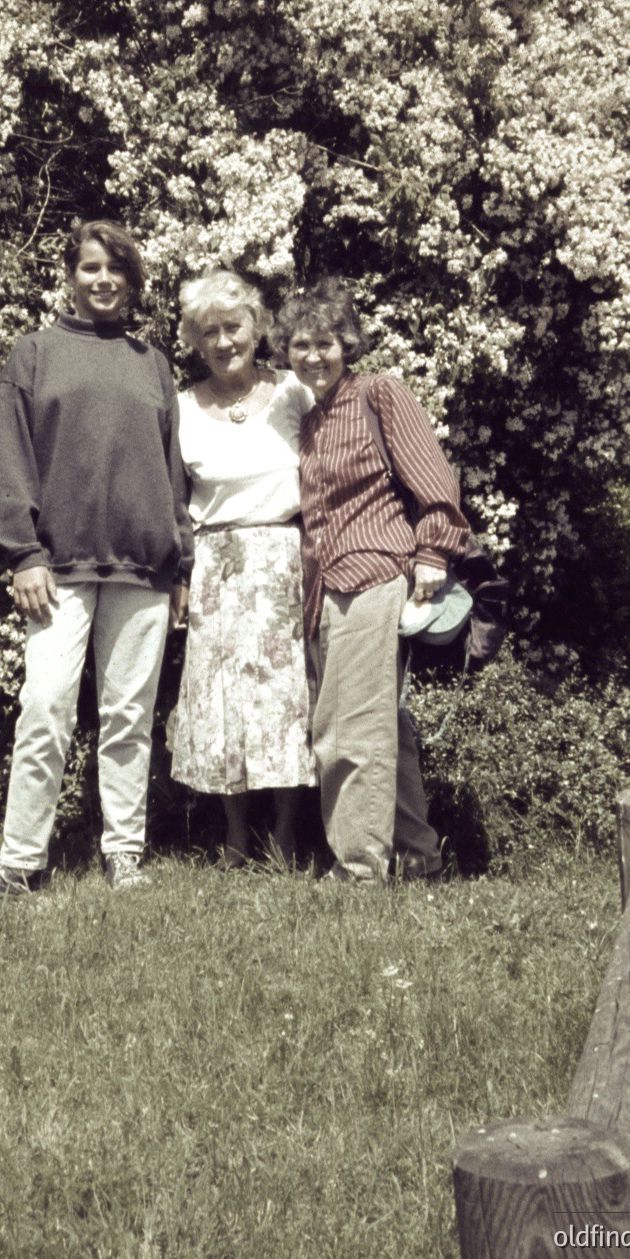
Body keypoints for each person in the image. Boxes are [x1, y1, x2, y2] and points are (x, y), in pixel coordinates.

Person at [0, 220, 192, 907]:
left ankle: (124, 853)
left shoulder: (153, 362)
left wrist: (179, 565)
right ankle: (20, 861)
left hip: (143, 569)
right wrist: (23, 552)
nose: (104, 280)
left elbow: (173, 471)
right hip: (56, 568)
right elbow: (11, 459)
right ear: (71, 275)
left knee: (128, 715)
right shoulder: (34, 354)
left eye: (116, 270)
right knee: (46, 706)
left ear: (132, 282)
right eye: (91, 268)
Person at [271, 279, 470, 885]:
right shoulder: (312, 418)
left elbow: (433, 478)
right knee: (386, 727)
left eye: (324, 342)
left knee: (347, 727)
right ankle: (418, 855)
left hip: (377, 576)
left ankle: (358, 868)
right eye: (300, 345)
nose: (312, 356)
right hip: (327, 590)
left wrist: (433, 551)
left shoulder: (380, 394)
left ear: (347, 343)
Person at [171, 269, 316, 867]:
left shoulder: (294, 393)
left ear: (257, 328)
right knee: (223, 700)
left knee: (282, 699)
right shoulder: (181, 408)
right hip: (215, 567)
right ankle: (234, 836)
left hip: (284, 560)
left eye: (234, 327)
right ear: (195, 341)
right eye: (211, 332)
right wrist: (180, 575)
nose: (225, 342)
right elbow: (175, 502)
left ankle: (283, 835)